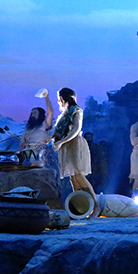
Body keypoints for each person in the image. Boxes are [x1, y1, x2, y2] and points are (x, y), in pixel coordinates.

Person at [50, 87, 99, 216]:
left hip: (75, 144)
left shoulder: (76, 111)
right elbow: (58, 130)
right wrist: (49, 138)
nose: (58, 101)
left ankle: (95, 205)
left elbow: (76, 129)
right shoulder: (64, 114)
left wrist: (61, 142)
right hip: (66, 146)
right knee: (73, 178)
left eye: (59, 98)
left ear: (64, 98)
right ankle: (81, 207)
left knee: (78, 175)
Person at [19, 89, 55, 168]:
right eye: (32, 113)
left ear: (40, 115)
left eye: (35, 113)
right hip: (27, 156)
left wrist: (47, 99)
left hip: (40, 155)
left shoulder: (44, 125)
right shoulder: (28, 129)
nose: (32, 115)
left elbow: (50, 112)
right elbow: (22, 145)